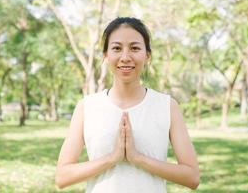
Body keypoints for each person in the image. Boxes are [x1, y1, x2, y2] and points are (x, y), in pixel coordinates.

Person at [55, 17, 200, 193]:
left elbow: (192, 177)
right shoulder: (87, 107)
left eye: (135, 48)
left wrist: (137, 158)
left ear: (147, 55)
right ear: (106, 55)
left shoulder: (167, 106)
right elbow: (62, 177)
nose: (125, 57)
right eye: (116, 48)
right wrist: (112, 158)